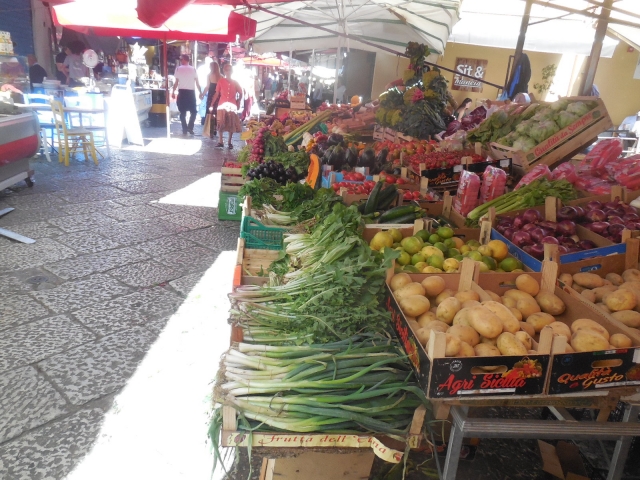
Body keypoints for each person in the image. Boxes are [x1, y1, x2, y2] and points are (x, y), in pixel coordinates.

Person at [210, 63, 243, 149]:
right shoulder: (220, 81)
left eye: (230, 70)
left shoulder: (235, 82)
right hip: (222, 105)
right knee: (220, 123)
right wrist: (212, 104)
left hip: (232, 105)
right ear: (224, 71)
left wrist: (238, 101)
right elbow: (217, 93)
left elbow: (241, 92)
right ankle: (220, 141)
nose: (228, 72)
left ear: (232, 71)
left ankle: (229, 141)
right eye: (226, 70)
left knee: (231, 123)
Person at [172, 54, 202, 135]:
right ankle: (190, 126)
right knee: (194, 112)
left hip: (182, 92)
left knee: (182, 112)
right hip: (191, 93)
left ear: (185, 60)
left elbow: (176, 82)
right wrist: (200, 92)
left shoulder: (178, 69)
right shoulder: (193, 69)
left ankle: (185, 128)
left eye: (182, 59)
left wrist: (173, 91)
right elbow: (197, 83)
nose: (181, 61)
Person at [201, 60, 221, 138]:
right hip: (219, 95)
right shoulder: (221, 76)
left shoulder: (209, 75)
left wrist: (202, 94)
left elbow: (207, 86)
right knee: (217, 112)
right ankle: (216, 128)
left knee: (210, 112)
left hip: (211, 94)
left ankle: (211, 129)